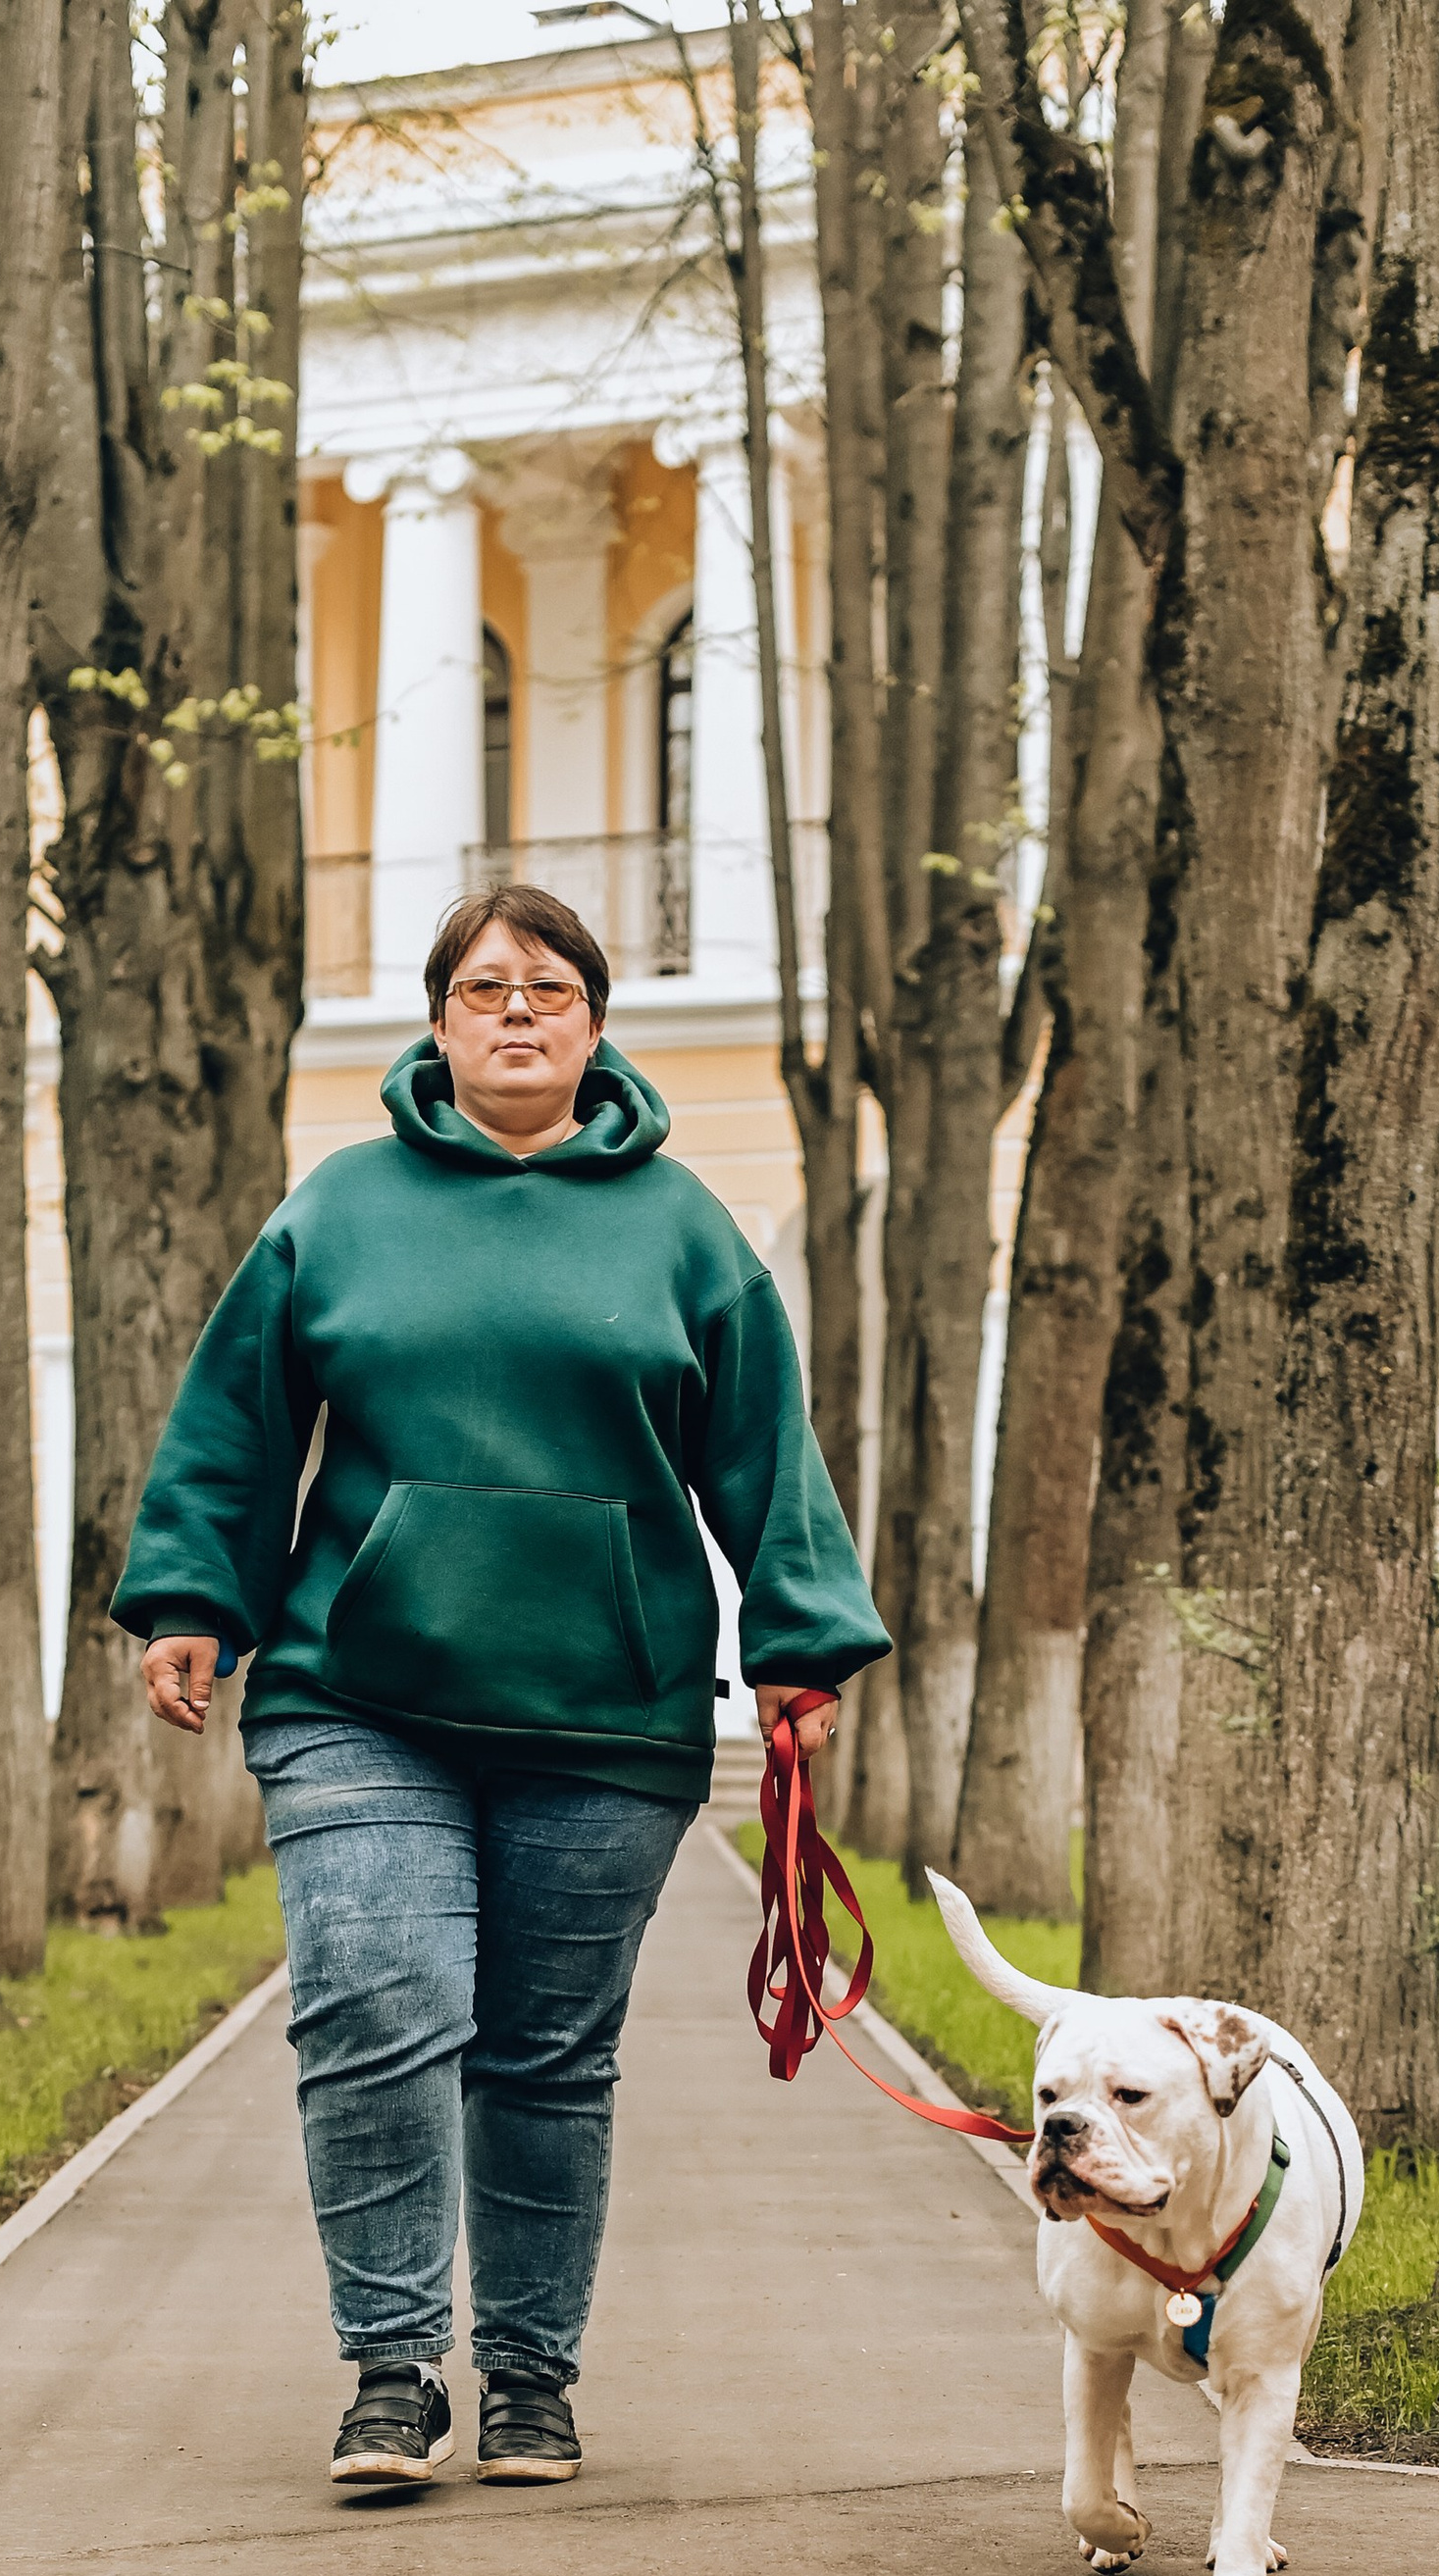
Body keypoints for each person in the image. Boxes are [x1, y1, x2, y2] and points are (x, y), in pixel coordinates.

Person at [112, 882, 888, 2491]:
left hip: (606, 1714)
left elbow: (764, 1459)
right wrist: (196, 1596)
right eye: (482, 989)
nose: (516, 1011)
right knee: (376, 2000)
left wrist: (799, 1645)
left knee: (546, 2054)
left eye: (548, 988)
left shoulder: (683, 1228)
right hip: (356, 1691)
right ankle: (391, 2369)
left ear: (597, 1026)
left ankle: (531, 2374)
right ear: (440, 1023)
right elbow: (237, 1426)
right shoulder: (339, 1209)